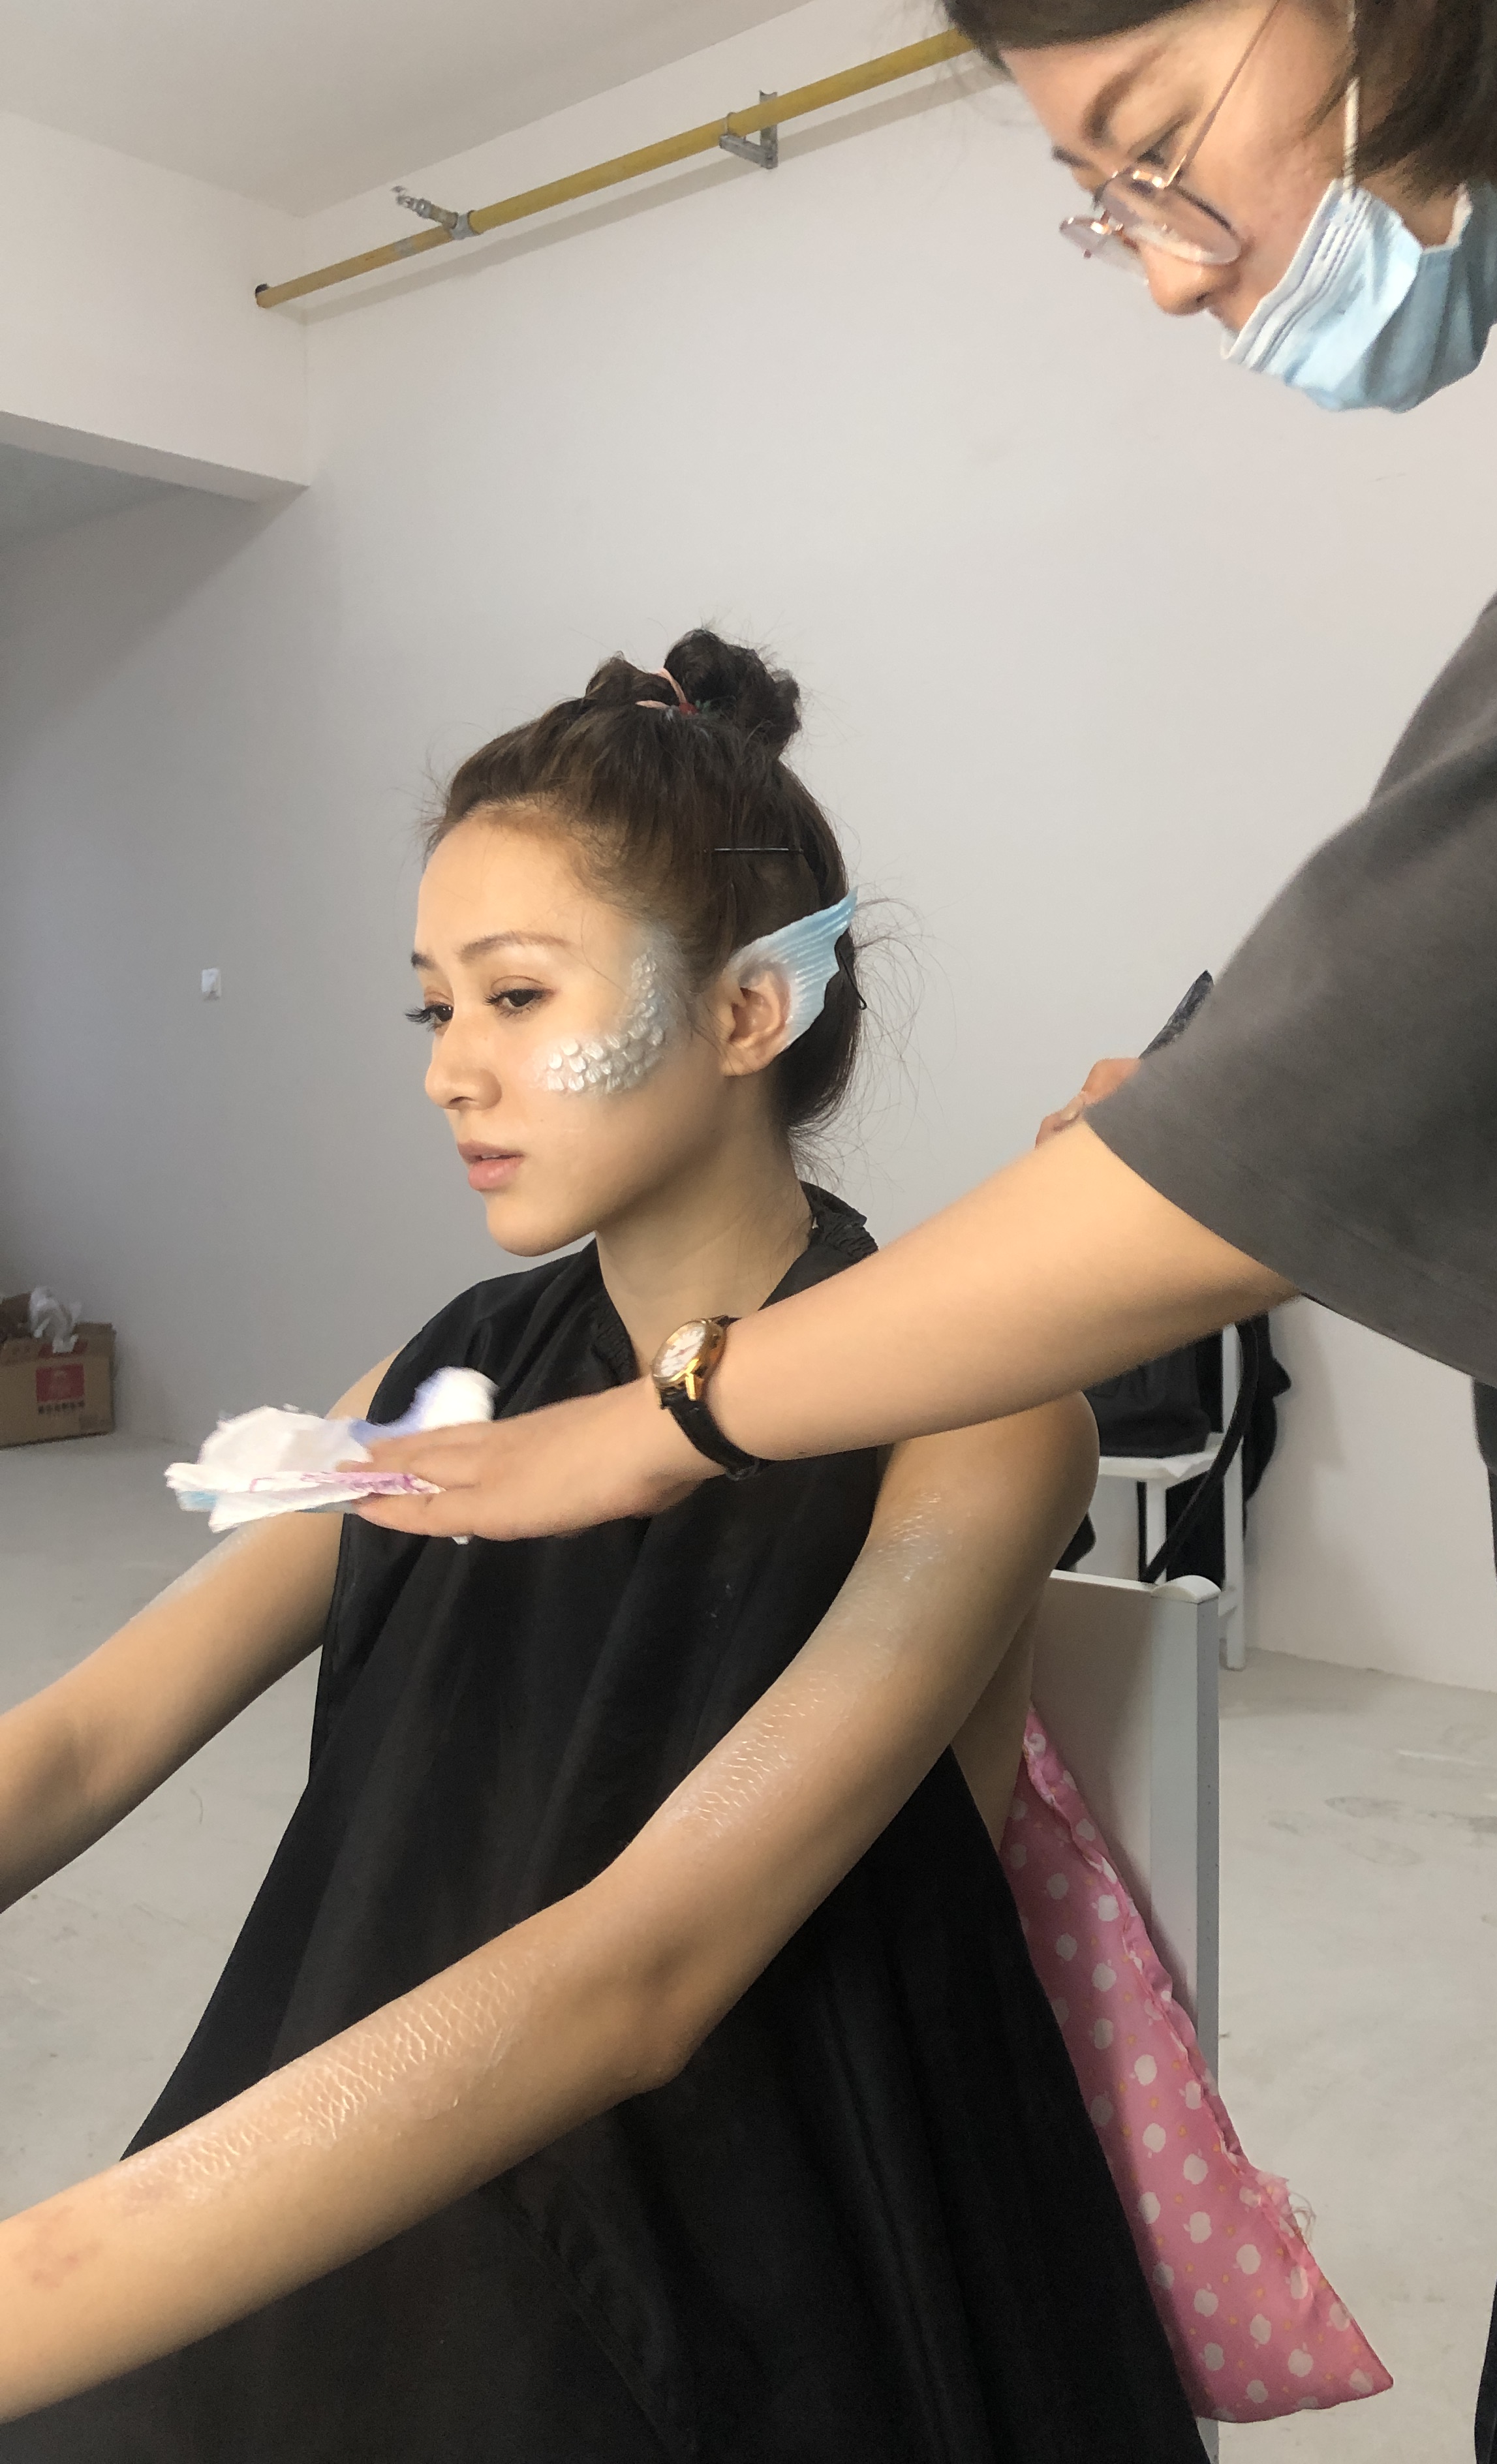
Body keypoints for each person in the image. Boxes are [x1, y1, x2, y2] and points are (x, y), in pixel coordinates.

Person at [354, 0, 1497, 2459]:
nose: (1171, 273)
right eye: (431, 1003)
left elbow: (1300, 1128)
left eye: (1154, 149)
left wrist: (670, 1420)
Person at [0, 633, 1205, 2459]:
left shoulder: (976, 1427)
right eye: (434, 1010)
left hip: (747, 2274)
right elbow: (88, 1739)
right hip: (399, 2150)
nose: (450, 1073)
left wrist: (50, 2277)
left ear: (746, 1013)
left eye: (517, 996)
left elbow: (641, 1981)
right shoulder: (437, 1389)